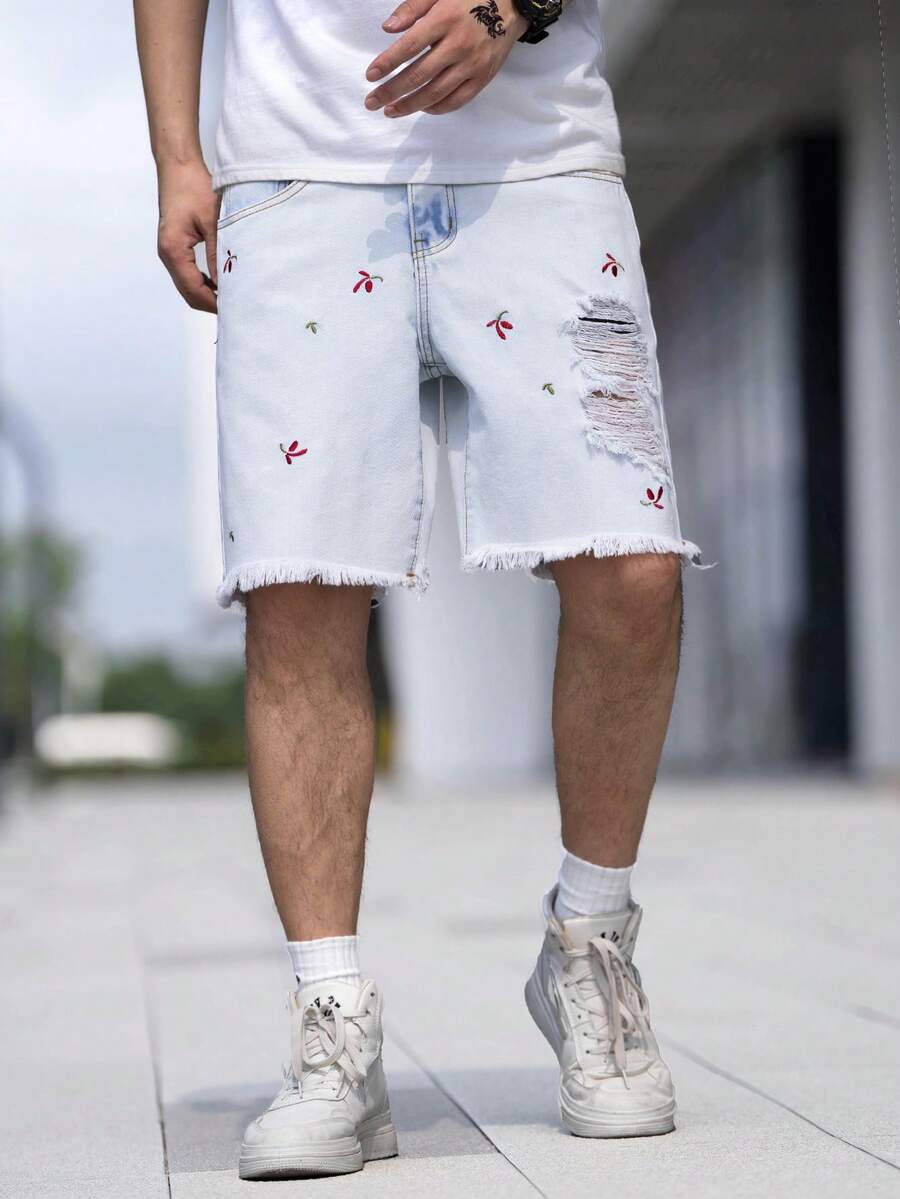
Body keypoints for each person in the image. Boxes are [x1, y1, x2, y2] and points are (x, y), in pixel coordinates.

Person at [135, 0, 701, 1180]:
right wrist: (177, 151)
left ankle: (591, 941)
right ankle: (331, 1024)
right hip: (296, 167)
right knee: (298, 589)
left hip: (540, 157)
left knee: (634, 563)